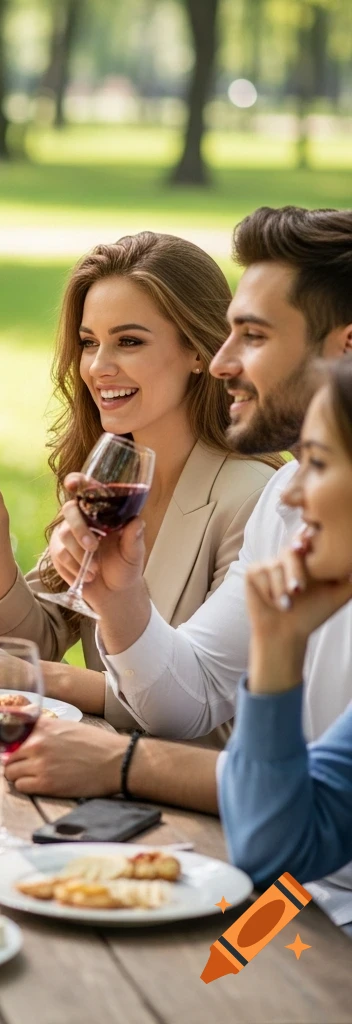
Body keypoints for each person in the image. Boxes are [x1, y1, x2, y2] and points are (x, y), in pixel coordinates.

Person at [0, 207, 352, 830]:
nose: (221, 361)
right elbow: (193, 696)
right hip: (294, 881)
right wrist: (120, 595)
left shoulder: (257, 490)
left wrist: (124, 764)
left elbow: (313, 801)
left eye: (256, 336)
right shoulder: (288, 496)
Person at [0, 232, 278, 726]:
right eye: (89, 343)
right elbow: (38, 639)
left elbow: (209, 708)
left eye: (129, 341)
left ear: (199, 351)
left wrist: (50, 680)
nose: (98, 367)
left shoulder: (250, 499)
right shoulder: (110, 476)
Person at [220, 358, 352, 902]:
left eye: (317, 464)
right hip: (307, 900)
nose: (293, 496)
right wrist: (276, 646)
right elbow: (268, 852)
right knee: (214, 958)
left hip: (332, 919)